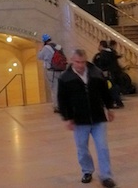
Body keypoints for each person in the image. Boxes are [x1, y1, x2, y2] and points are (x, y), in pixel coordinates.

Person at [58, 49, 117, 188]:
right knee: (82, 148)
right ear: (72, 61)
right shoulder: (65, 78)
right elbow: (62, 100)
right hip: (79, 120)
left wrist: (109, 108)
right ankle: (87, 171)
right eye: (78, 62)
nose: (80, 65)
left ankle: (106, 176)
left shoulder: (96, 73)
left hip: (98, 118)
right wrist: (68, 117)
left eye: (83, 62)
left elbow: (105, 93)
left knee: (102, 147)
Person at [37, 34, 65, 113]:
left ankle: (57, 106)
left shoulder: (46, 48)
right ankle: (62, 104)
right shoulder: (57, 46)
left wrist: (40, 49)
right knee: (59, 87)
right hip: (60, 69)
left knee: (54, 88)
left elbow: (39, 56)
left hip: (51, 70)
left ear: (44, 41)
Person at [93, 40, 124, 108]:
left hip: (107, 73)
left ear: (101, 46)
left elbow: (101, 64)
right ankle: (117, 101)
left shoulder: (103, 54)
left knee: (110, 87)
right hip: (114, 72)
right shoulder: (112, 52)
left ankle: (114, 101)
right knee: (113, 87)